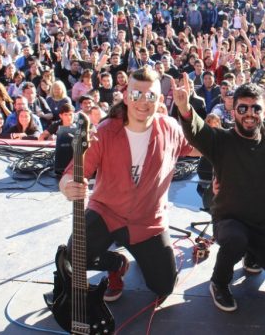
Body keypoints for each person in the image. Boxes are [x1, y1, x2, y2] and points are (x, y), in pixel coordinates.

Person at [58, 67, 195, 306]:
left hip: (148, 221)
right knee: (74, 257)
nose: (143, 101)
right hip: (107, 213)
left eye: (150, 95)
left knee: (164, 287)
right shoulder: (105, 131)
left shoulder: (171, 128)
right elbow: (70, 174)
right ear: (125, 94)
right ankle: (115, 264)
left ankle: (142, 257)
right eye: (136, 94)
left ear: (160, 99)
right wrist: (68, 187)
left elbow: (204, 146)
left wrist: (188, 112)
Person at [175, 80, 265, 312]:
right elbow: (197, 131)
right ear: (233, 110)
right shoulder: (221, 140)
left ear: (263, 110)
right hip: (230, 220)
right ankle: (219, 282)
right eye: (243, 108)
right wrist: (186, 109)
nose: (250, 114)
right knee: (237, 239)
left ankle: (253, 253)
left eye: (255, 108)